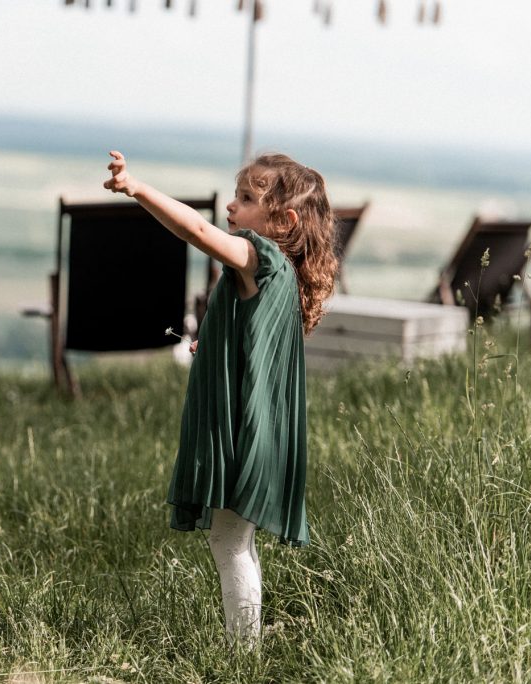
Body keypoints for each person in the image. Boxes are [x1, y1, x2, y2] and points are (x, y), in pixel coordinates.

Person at [103, 149, 337, 644]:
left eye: (247, 198)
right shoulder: (283, 276)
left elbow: (196, 231)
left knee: (228, 542)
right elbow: (252, 345)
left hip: (241, 431)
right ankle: (247, 641)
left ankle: (242, 653)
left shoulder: (261, 255)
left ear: (284, 220)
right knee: (237, 540)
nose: (231, 208)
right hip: (265, 431)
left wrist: (137, 189)